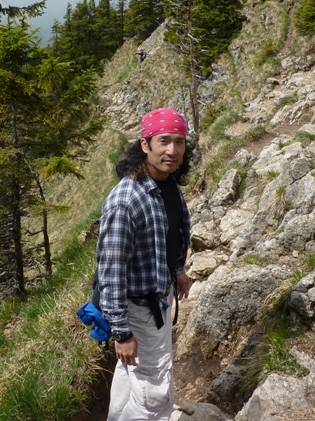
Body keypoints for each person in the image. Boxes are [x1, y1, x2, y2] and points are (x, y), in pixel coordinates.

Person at [96, 107, 193, 421]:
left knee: (133, 372)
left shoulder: (167, 184)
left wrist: (176, 269)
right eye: (163, 141)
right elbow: (110, 270)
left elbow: (173, 231)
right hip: (138, 308)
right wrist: (122, 332)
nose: (172, 150)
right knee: (156, 389)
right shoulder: (125, 199)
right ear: (144, 144)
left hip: (158, 296)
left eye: (179, 142)